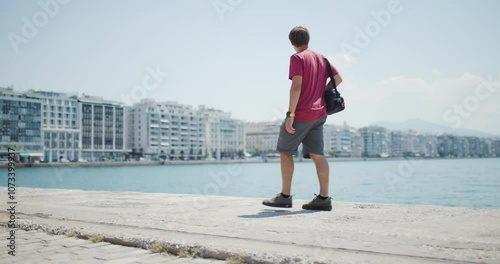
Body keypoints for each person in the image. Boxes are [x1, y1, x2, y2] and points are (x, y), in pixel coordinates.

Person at [262, 26, 342, 211]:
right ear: (308, 39)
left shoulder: (297, 58)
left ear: (291, 42)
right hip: (320, 114)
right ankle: (324, 198)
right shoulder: (322, 58)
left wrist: (290, 115)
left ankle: (285, 196)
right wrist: (320, 92)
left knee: (285, 151)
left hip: (303, 113)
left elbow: (296, 86)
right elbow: (338, 79)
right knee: (318, 154)